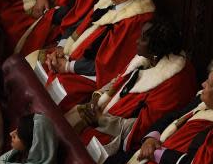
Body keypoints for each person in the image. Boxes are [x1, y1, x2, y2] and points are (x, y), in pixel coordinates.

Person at [29, 0, 155, 111]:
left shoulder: (134, 22)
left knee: (51, 97)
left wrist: (68, 66)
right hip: (70, 55)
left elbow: (107, 64)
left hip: (88, 73)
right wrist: (61, 48)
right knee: (32, 64)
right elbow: (78, 24)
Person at [69, 21, 196, 155]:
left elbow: (143, 127)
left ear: (156, 48)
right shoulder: (145, 59)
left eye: (143, 39)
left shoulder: (173, 83)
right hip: (103, 114)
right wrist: (97, 98)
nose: (137, 41)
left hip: (117, 135)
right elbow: (118, 80)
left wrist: (101, 120)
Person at [109, 72, 213, 164]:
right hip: (149, 154)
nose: (203, 84)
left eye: (209, 84)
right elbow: (172, 117)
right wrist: (151, 138)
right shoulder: (201, 100)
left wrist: (156, 153)